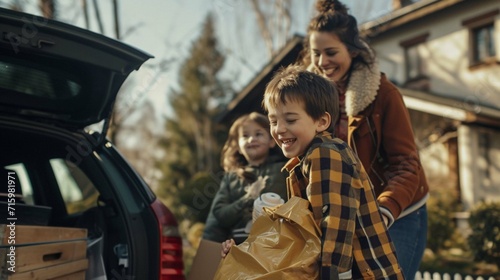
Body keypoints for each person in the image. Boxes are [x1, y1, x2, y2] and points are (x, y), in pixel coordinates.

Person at [223, 65, 404, 279]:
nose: (279, 129)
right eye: (273, 121)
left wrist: (334, 275)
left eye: (290, 120)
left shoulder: (325, 155)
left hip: (359, 272)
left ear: (321, 122)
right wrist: (248, 250)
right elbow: (306, 232)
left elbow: (335, 223)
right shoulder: (305, 160)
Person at [300, 0, 430, 278]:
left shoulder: (384, 94)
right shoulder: (307, 100)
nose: (322, 62)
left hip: (398, 211)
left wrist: (384, 209)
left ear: (354, 51)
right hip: (344, 215)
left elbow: (407, 165)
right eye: (316, 54)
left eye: (331, 52)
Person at [203, 112, 288, 244]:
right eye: (245, 135)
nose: (251, 139)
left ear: (272, 141)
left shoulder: (285, 169)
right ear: (238, 147)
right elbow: (219, 215)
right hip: (241, 249)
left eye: (258, 134)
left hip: (279, 245)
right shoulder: (231, 178)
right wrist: (247, 199)